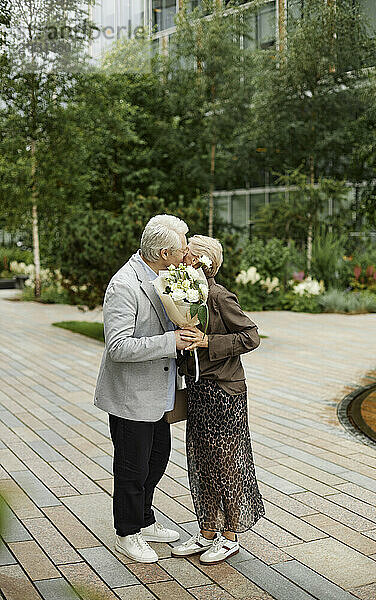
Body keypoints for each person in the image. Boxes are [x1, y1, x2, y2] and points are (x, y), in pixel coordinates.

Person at [94, 214, 193, 563]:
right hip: (131, 396)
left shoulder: (167, 275)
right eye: (182, 248)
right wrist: (171, 341)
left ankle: (145, 520)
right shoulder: (125, 285)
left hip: (161, 392)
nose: (187, 253)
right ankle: (128, 532)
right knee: (132, 469)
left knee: (155, 461)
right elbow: (117, 347)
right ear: (165, 252)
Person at [172, 234, 265, 564]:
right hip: (199, 390)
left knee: (227, 465)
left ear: (201, 262)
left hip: (225, 392)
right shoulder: (187, 295)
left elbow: (250, 336)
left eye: (187, 255)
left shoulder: (218, 295)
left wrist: (207, 340)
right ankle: (207, 530)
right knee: (203, 462)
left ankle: (230, 536)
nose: (181, 259)